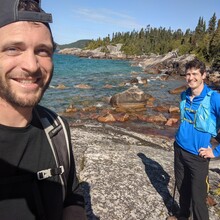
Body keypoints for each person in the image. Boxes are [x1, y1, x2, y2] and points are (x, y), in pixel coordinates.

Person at [0, 0, 87, 219]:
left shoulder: (56, 129)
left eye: (43, 51)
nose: (31, 65)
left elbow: (71, 194)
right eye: (13, 49)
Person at [167, 58, 220, 220]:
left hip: (198, 156)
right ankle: (183, 216)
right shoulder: (184, 95)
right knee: (183, 189)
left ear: (203, 75)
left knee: (198, 199)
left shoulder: (214, 98)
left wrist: (216, 151)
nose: (191, 77)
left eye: (195, 74)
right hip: (179, 149)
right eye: (188, 74)